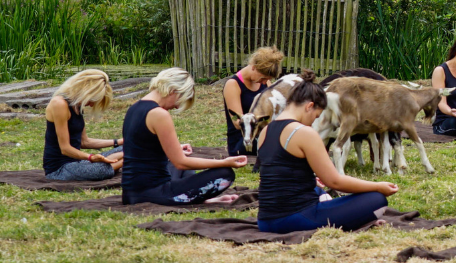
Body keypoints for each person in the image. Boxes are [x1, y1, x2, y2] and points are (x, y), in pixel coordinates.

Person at [254, 69, 398, 234]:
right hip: (294, 219)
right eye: (316, 116)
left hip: (265, 221)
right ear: (309, 107)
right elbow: (335, 182)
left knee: (318, 191)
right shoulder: (304, 133)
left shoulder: (266, 131)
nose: (314, 121)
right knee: (376, 199)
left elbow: (277, 173)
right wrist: (378, 186)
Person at [121, 68, 247, 205]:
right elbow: (180, 163)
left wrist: (175, 148)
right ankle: (195, 197)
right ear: (173, 90)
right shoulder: (159, 114)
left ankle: (201, 198)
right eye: (180, 100)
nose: (176, 106)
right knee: (225, 173)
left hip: (131, 191)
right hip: (152, 193)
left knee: (187, 168)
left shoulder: (134, 108)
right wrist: (224, 162)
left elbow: (141, 146)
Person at [42, 70, 125, 181]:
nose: (91, 105)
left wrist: (118, 141)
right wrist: (91, 158)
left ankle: (127, 157)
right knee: (101, 170)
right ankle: (128, 160)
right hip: (59, 170)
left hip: (79, 162)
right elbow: (65, 149)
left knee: (129, 147)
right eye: (93, 100)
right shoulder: (59, 104)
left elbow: (84, 142)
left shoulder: (77, 106)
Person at [223, 46, 283, 156]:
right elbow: (236, 122)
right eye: (263, 78)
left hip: (263, 134)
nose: (265, 82)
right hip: (243, 140)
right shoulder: (233, 85)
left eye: (268, 79)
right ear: (254, 67)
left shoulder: (266, 83)